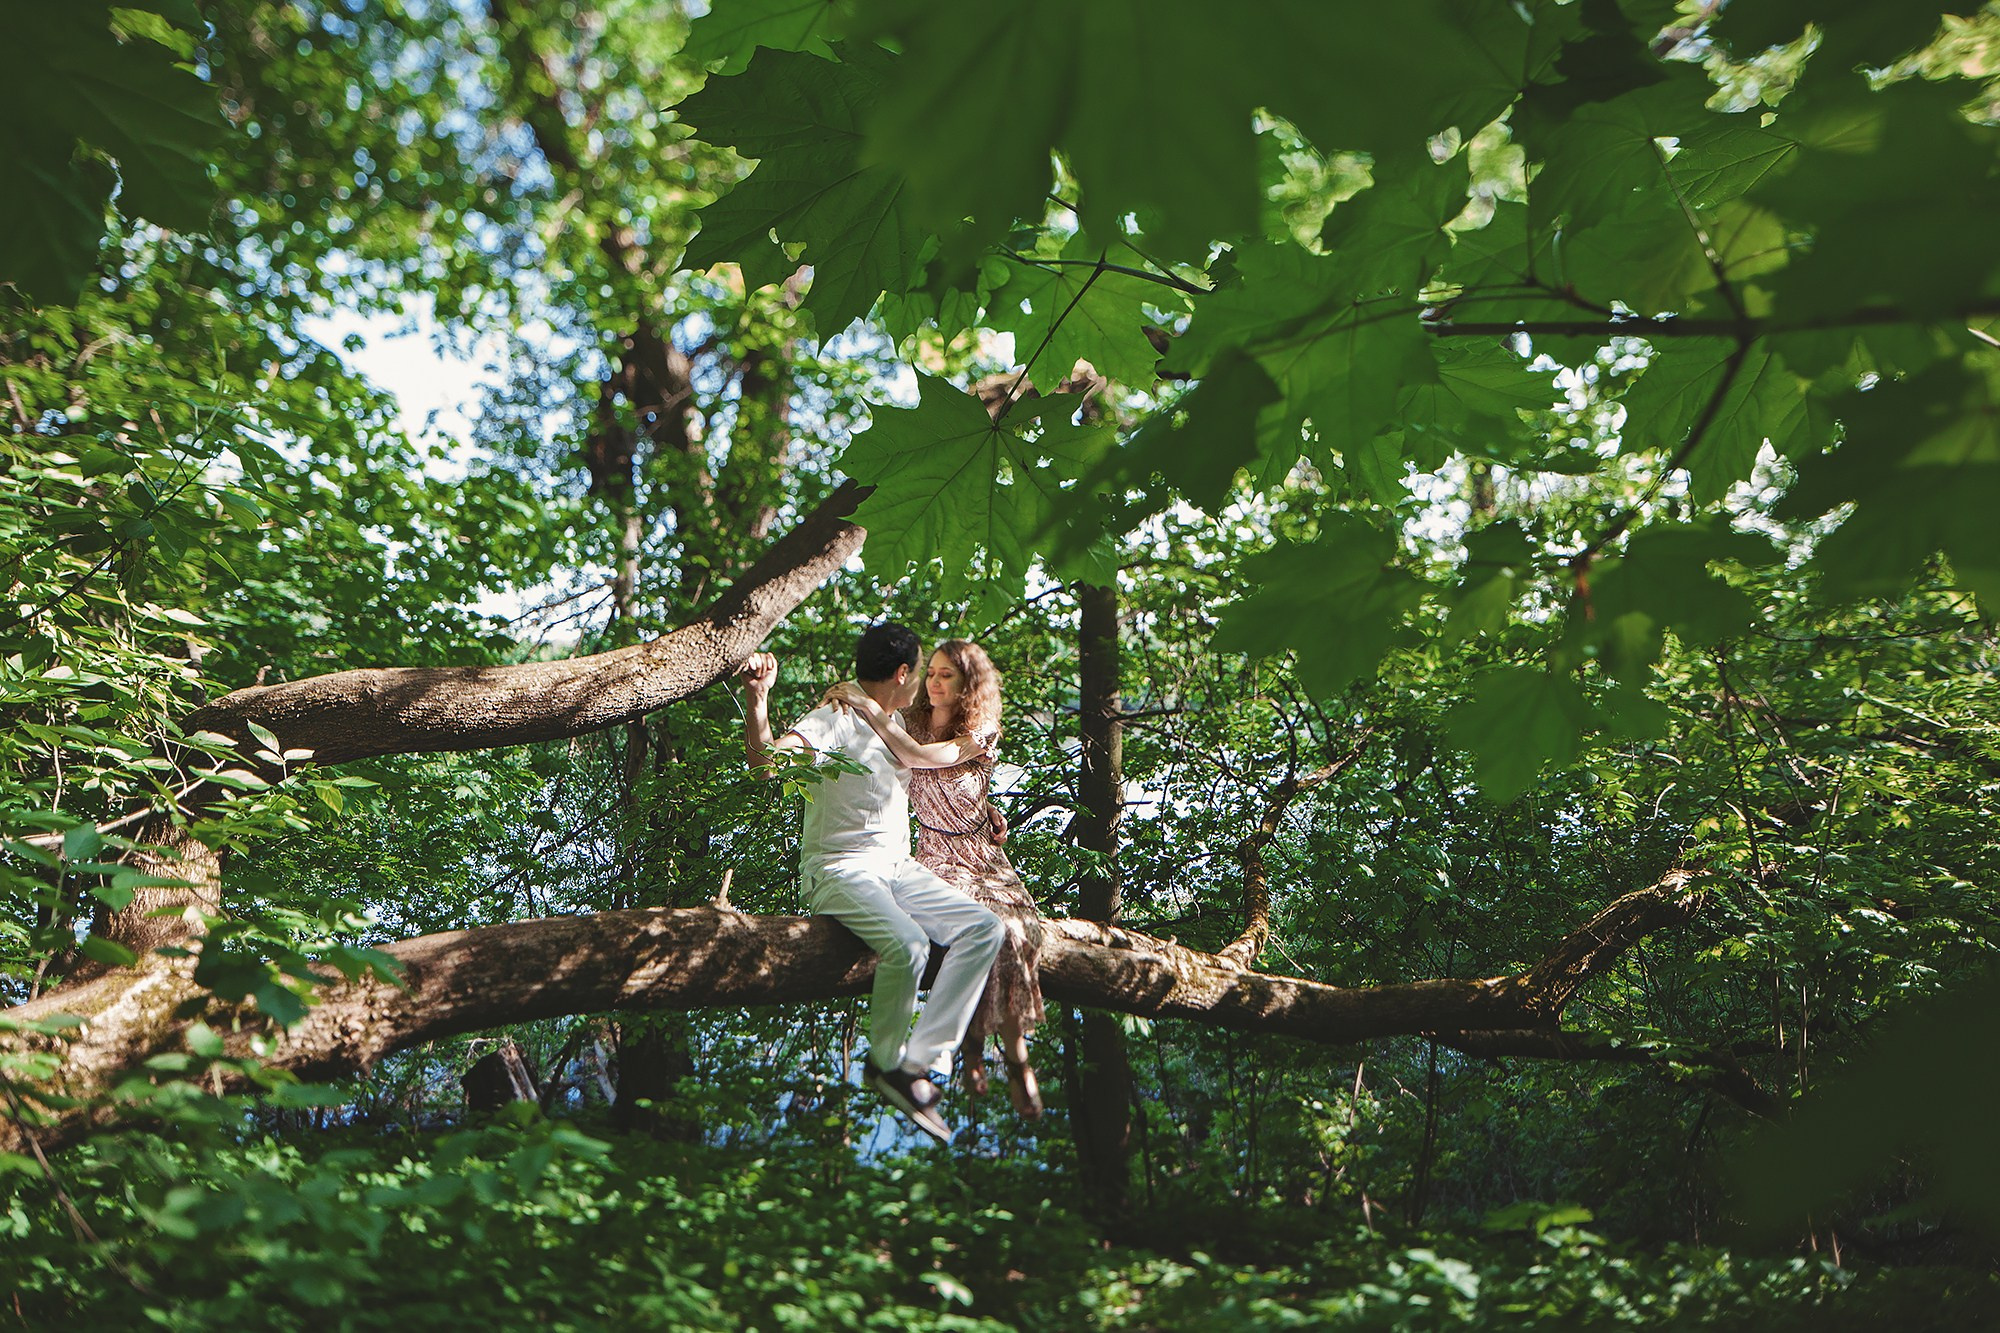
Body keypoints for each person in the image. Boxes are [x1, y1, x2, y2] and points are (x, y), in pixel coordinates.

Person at [738, 623, 1005, 1144]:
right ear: (903, 674)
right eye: (920, 671)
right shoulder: (833, 717)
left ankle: (920, 1063)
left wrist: (985, 808)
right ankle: (885, 1065)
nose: (924, 683)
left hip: (897, 868)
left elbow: (938, 757)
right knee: (907, 946)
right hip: (839, 868)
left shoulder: (890, 720)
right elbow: (767, 766)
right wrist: (759, 700)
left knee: (984, 929)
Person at [831, 640, 1043, 1118]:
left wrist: (865, 702)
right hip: (931, 851)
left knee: (1018, 929)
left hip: (979, 851)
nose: (935, 682)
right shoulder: (910, 720)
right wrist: (850, 703)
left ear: (970, 685)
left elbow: (921, 759)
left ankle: (1015, 1056)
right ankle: (968, 1050)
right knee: (975, 930)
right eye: (933, 673)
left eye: (948, 675)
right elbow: (878, 761)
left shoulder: (980, 730)